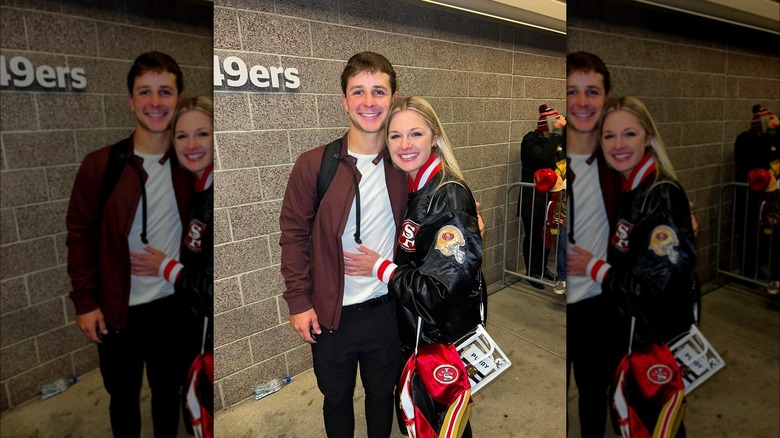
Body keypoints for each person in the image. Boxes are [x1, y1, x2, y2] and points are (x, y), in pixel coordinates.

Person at [279, 51, 407, 438]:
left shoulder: (405, 163)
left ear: (393, 98)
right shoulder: (314, 165)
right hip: (332, 314)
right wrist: (299, 302)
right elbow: (294, 234)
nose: (369, 102)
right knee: (336, 399)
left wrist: (467, 220)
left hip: (387, 309)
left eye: (378, 91)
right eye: (359, 92)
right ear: (345, 101)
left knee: (382, 395)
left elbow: (437, 211)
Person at [66, 51, 193, 437]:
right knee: (122, 398)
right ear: (131, 101)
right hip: (118, 309)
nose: (155, 102)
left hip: (172, 308)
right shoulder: (101, 165)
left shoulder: (191, 164)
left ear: (179, 98)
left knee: (168, 395)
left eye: (165, 91)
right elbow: (81, 235)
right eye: (145, 92)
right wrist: (85, 302)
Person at [343, 96, 485, 438]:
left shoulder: (447, 195)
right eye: (395, 136)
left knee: (439, 428)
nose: (405, 145)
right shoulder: (413, 188)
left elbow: (440, 295)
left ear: (435, 137)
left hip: (438, 345)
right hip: (417, 338)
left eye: (416, 134)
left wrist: (382, 268)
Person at [569, 95, 697, 437]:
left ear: (649, 136)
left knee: (655, 425)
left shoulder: (661, 194)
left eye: (629, 134)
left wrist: (595, 268)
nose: (618, 144)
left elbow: (652, 292)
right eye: (609, 136)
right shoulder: (632, 189)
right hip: (629, 336)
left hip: (650, 342)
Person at [129, 96, 215, 437]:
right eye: (181, 136)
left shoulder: (213, 192)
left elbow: (211, 292)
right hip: (185, 331)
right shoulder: (192, 187)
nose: (191, 144)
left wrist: (167, 268)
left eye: (202, 134)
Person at [564, 51, 624, 438]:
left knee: (593, 393)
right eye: (572, 91)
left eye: (592, 91)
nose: (582, 102)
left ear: (606, 98)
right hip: (558, 302)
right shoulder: (554, 155)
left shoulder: (619, 159)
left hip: (599, 302)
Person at [518, 104, 566, 289]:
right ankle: (532, 271)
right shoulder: (530, 140)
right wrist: (555, 133)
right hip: (532, 200)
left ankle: (543, 267)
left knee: (548, 234)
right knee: (532, 236)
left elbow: (560, 162)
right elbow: (545, 157)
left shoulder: (554, 143)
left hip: (550, 200)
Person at [733, 104, 779, 281]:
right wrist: (772, 133)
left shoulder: (766, 141)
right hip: (747, 195)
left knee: (761, 235)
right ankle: (748, 271)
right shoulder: (746, 140)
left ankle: (756, 269)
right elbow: (759, 157)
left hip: (762, 196)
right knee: (747, 234)